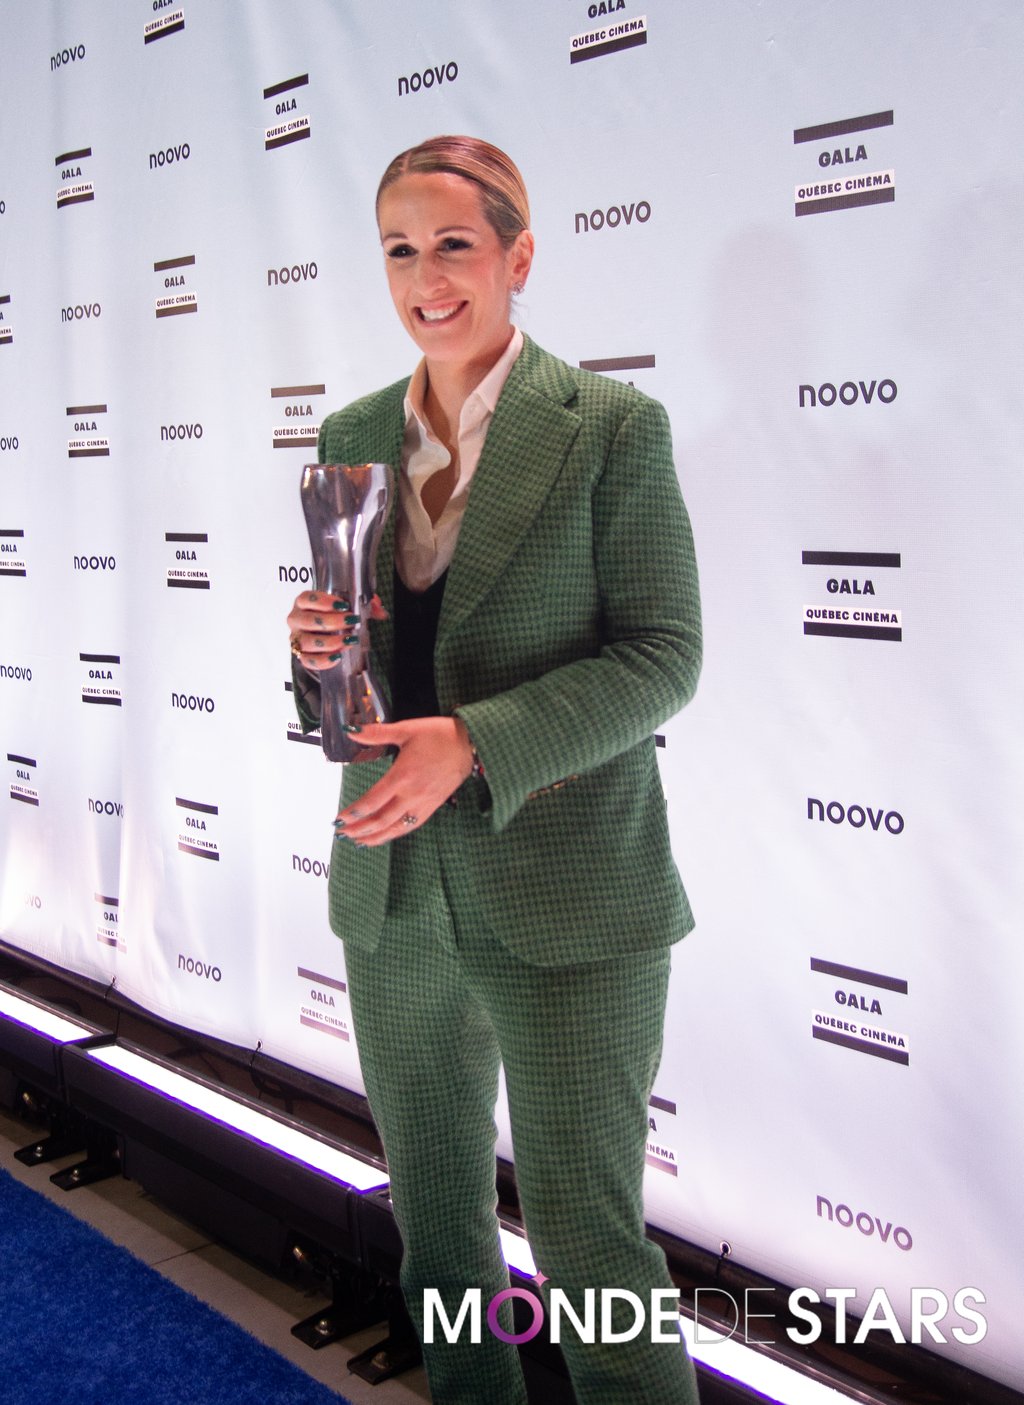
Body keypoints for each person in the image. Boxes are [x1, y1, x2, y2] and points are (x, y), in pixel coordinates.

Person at [287, 135, 702, 1405]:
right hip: (394, 889)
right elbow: (354, 688)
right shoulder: (354, 429)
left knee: (589, 1246)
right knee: (443, 1236)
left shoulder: (610, 427)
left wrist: (482, 738)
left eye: (454, 244)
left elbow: (663, 657)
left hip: (572, 895)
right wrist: (313, 659)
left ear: (518, 256)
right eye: (400, 250)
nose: (427, 277)